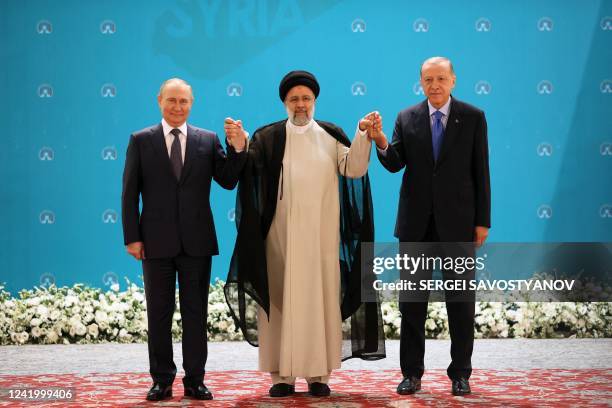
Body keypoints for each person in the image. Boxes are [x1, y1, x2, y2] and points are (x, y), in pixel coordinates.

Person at [223, 70, 386, 398]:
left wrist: (362, 134)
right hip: (278, 240)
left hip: (321, 241)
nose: (300, 105)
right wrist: (239, 146)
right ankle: (280, 376)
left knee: (319, 303)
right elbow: (249, 172)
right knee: (280, 304)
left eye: (306, 99)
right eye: (294, 99)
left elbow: (353, 168)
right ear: (285, 102)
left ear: (315, 101)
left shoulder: (330, 135)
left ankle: (318, 375)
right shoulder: (268, 137)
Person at [121, 78, 246, 401]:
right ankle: (162, 380)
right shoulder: (141, 140)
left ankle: (195, 380)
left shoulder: (208, 140)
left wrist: (238, 148)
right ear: (159, 100)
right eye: (172, 100)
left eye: (184, 102)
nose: (177, 107)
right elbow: (128, 193)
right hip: (154, 242)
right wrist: (132, 238)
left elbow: (229, 180)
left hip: (197, 243)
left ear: (192, 104)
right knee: (158, 314)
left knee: (196, 313)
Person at [374, 57, 491, 396]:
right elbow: (395, 163)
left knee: (460, 302)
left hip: (459, 225)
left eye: (441, 78)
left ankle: (460, 373)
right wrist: (382, 140)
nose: (435, 85)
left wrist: (482, 221)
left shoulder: (472, 117)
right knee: (411, 304)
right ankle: (411, 373)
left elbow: (480, 171)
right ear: (421, 83)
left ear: (453, 80)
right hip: (415, 226)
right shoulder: (405, 118)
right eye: (428, 79)